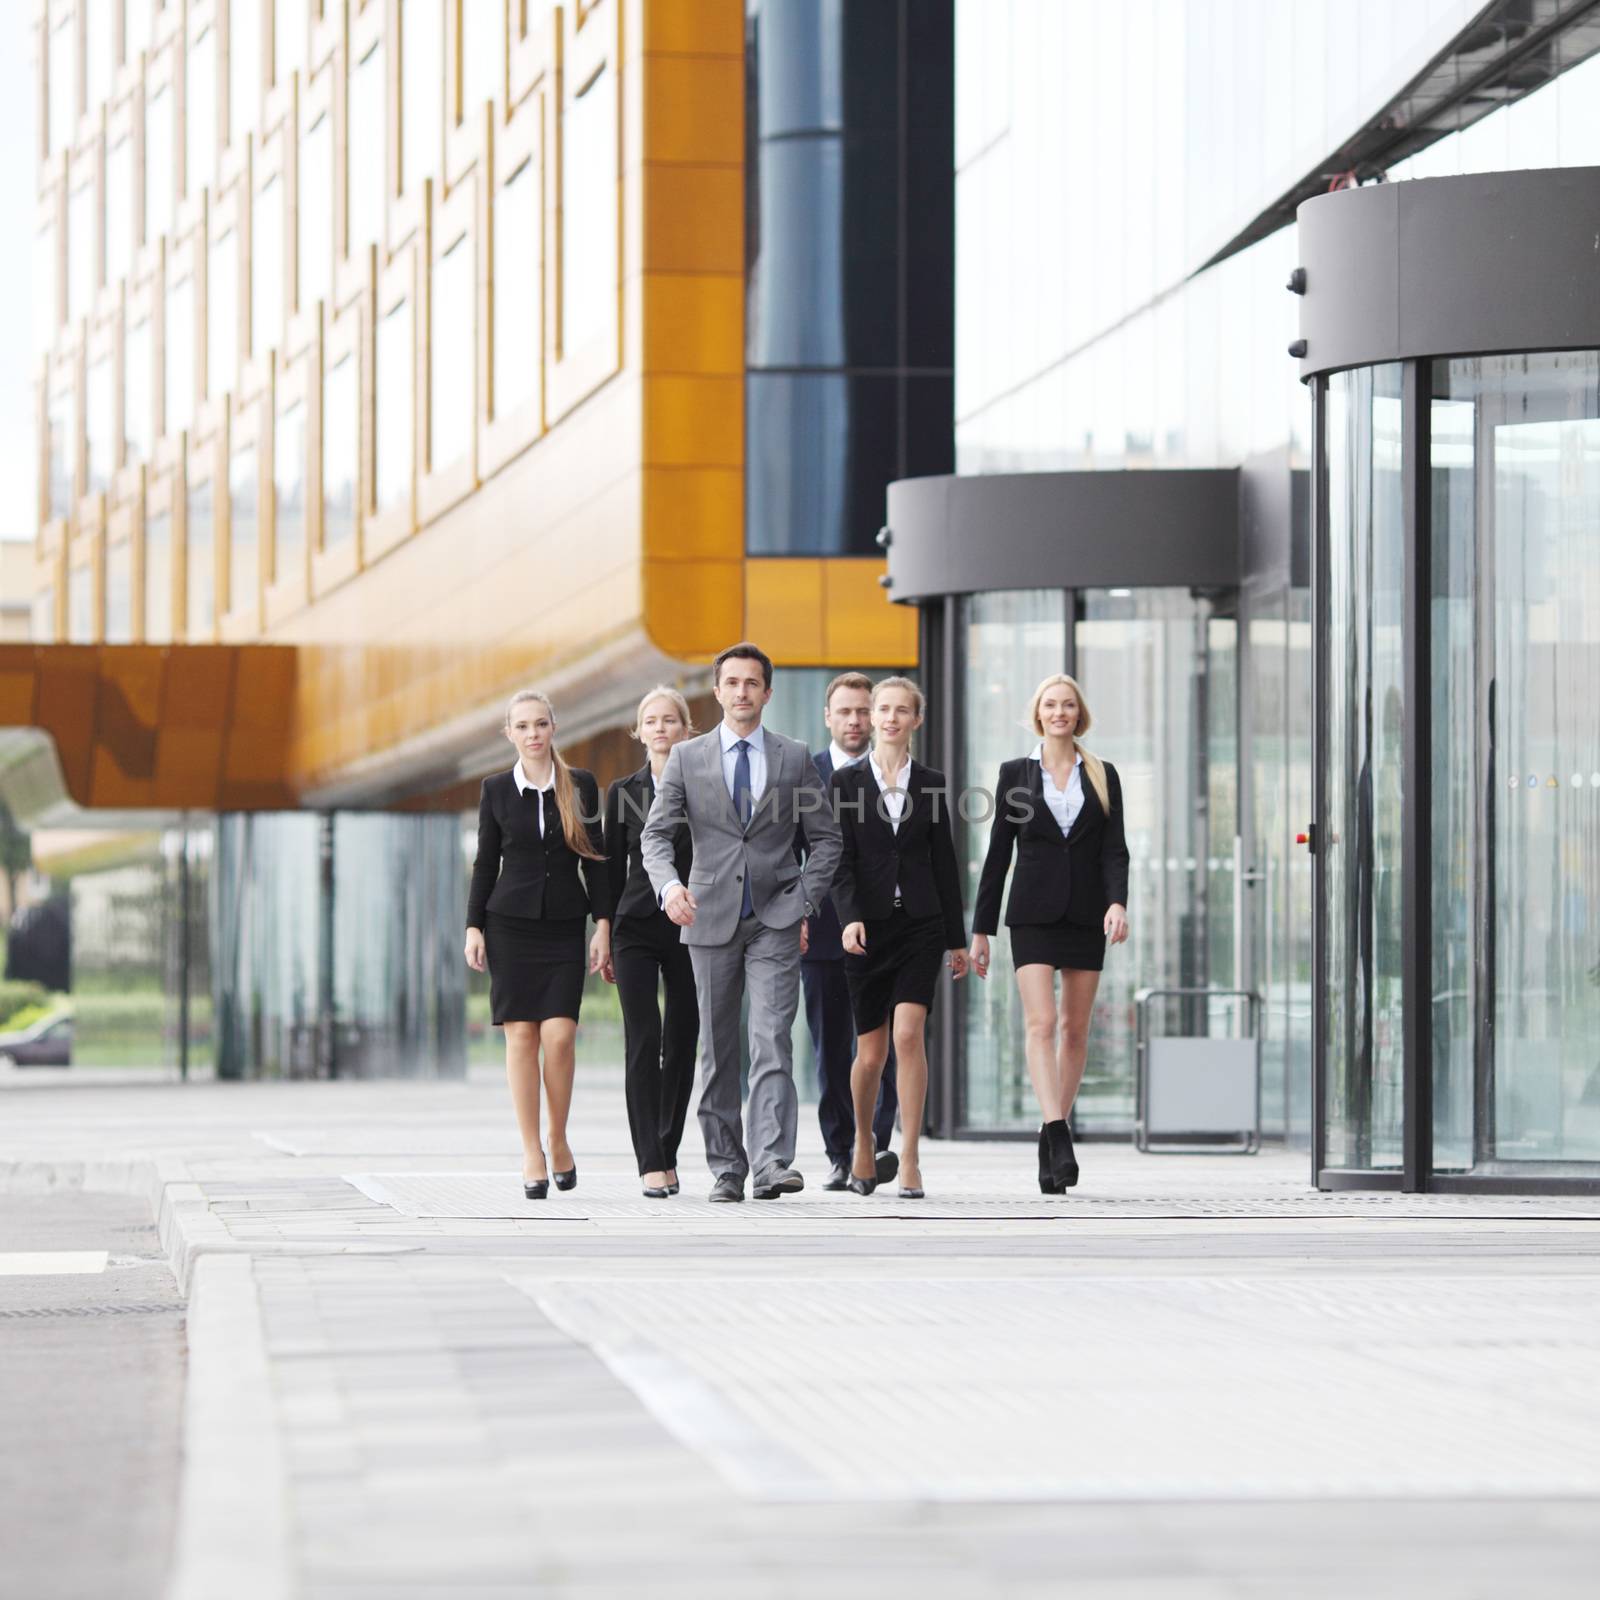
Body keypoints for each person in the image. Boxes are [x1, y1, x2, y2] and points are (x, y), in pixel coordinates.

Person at [641, 642, 843, 1202]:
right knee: (717, 1046)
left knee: (773, 1039)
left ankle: (773, 1163)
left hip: (777, 917)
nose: (742, 692)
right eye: (732, 682)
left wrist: (802, 900)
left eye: (752, 683)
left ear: (767, 693)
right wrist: (669, 886)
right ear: (718, 690)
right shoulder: (688, 757)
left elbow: (826, 840)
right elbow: (655, 836)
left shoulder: (794, 756)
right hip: (707, 917)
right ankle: (727, 1166)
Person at [970, 674, 1129, 1194]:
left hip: (1086, 914)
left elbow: (1114, 850)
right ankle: (1059, 1133)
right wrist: (981, 929)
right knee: (1040, 1023)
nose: (1059, 712)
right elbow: (998, 855)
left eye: (1067, 705)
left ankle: (1047, 1131)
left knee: (1074, 1030)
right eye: (1050, 705)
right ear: (1037, 714)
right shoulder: (1016, 774)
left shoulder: (1103, 774)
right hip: (1032, 914)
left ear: (1079, 714)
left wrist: (1117, 903)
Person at [465, 690, 611, 1200]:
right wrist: (473, 926)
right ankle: (532, 1150)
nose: (533, 734)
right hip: (509, 925)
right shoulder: (496, 789)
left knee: (560, 1037)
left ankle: (559, 1135)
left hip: (565, 925)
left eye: (541, 724)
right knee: (521, 1038)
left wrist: (604, 925)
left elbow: (598, 860)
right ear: (510, 733)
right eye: (523, 726)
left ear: (553, 728)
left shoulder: (580, 786)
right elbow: (486, 861)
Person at [831, 677, 969, 1199]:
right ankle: (864, 1141)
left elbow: (944, 862)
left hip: (920, 924)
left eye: (899, 710)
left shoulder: (930, 781)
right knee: (871, 1054)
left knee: (909, 1035)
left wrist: (956, 938)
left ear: (916, 718)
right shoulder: (844, 783)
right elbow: (839, 860)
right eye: (880, 709)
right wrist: (847, 917)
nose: (888, 718)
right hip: (866, 928)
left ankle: (909, 1154)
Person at [803, 671, 899, 1190]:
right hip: (820, 932)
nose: (857, 721)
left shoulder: (898, 774)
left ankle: (877, 1145)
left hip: (889, 930)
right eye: (846, 712)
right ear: (828, 718)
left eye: (864, 711)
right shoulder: (806, 774)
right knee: (832, 1047)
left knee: (881, 1045)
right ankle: (840, 1151)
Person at [602, 686, 699, 1199]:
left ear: (687, 729)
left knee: (681, 1042)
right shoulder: (622, 792)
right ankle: (650, 1161)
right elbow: (610, 870)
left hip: (692, 929)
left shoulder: (706, 786)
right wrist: (606, 931)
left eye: (670, 720)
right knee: (643, 1040)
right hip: (635, 927)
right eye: (651, 720)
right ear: (639, 732)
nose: (661, 728)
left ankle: (669, 1148)